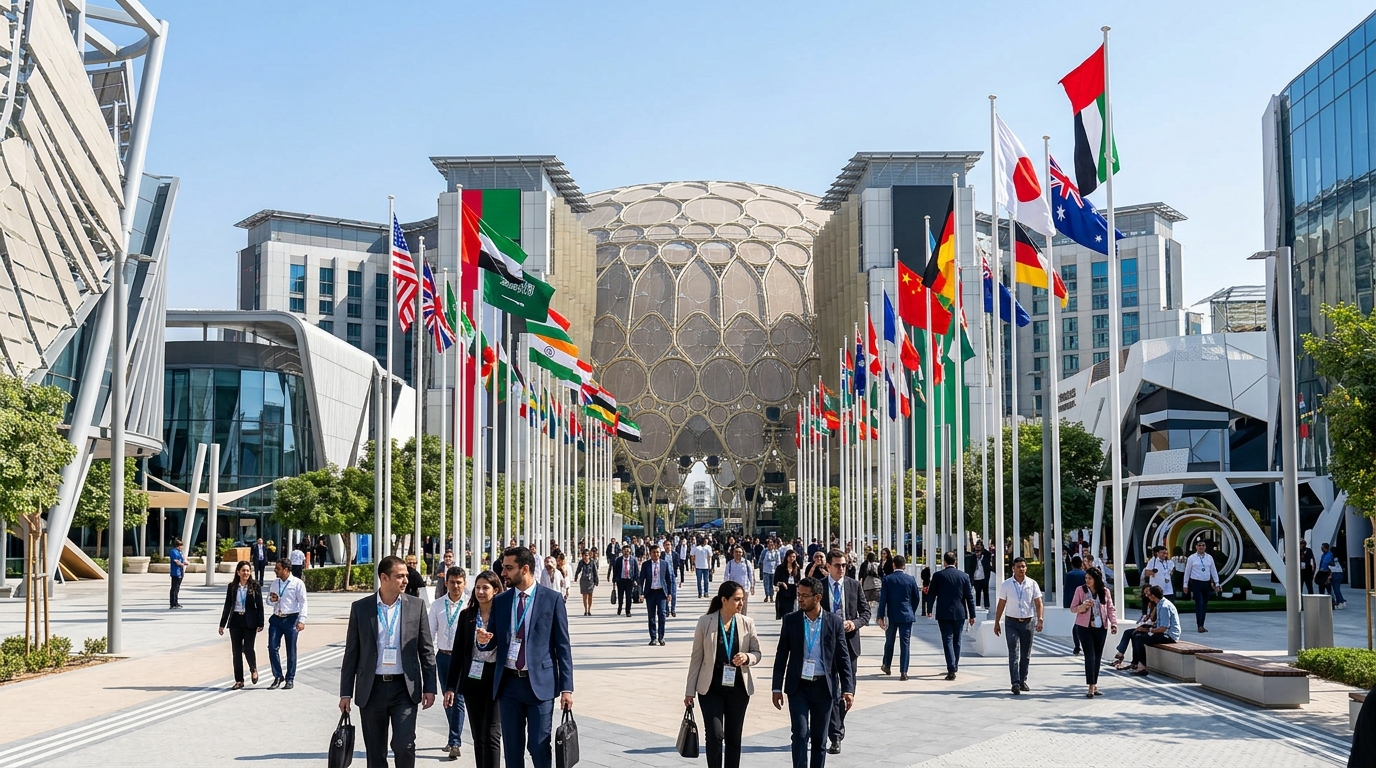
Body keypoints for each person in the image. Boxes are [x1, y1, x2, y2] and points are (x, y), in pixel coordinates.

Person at [339, 555, 438, 768]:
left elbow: (426, 650)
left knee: (405, 746)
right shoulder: (361, 608)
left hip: (404, 688)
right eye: (400, 576)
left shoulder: (416, 606)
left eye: (406, 576)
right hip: (371, 689)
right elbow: (352, 653)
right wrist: (345, 692)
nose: (406, 580)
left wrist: (430, 687)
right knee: (375, 753)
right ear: (384, 577)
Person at [483, 547, 574, 768]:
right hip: (509, 685)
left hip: (540, 686)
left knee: (539, 745)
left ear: (525, 569)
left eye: (508, 568)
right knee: (512, 749)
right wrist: (483, 639)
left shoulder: (552, 599)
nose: (503, 573)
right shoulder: (502, 601)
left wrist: (567, 688)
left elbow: (563, 646)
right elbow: (493, 639)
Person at [771, 578, 854, 768]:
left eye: (804, 596)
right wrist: (776, 687)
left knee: (819, 739)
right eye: (798, 595)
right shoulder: (791, 620)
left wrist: (848, 689)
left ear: (818, 597)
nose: (800, 599)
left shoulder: (834, 622)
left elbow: (843, 658)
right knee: (799, 734)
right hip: (798, 686)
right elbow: (781, 654)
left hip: (823, 687)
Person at [685, 581, 763, 768]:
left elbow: (757, 653)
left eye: (742, 599)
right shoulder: (706, 622)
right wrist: (689, 691)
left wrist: (747, 657)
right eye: (736, 599)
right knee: (714, 734)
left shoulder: (747, 623)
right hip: (711, 688)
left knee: (734, 737)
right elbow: (696, 658)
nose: (741, 603)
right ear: (724, 600)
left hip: (738, 689)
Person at [444, 570, 504, 768]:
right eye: (477, 587)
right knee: (478, 735)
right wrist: (451, 686)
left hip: (495, 680)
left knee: (493, 733)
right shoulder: (467, 616)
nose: (480, 592)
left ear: (496, 590)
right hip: (473, 680)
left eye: (485, 588)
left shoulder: (503, 614)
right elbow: (458, 653)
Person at [819, 549, 869, 754]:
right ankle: (835, 734)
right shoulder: (820, 587)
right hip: (826, 646)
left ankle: (838, 723)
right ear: (828, 567)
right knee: (831, 691)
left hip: (849, 645)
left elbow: (866, 613)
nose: (842, 569)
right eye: (838, 565)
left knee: (848, 691)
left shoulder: (853, 585)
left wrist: (854, 623)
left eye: (844, 565)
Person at [429, 566, 469, 759]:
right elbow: (429, 634)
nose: (455, 586)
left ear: (464, 584)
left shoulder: (470, 604)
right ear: (446, 583)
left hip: (462, 658)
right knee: (447, 698)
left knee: (458, 698)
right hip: (444, 656)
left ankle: (455, 741)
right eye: (452, 582)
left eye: (459, 583)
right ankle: (453, 737)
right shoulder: (437, 605)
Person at [993, 557, 1044, 695]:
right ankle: (1015, 682)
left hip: (1028, 622)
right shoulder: (1007, 585)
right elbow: (1001, 604)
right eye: (1018, 567)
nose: (1021, 569)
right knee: (1013, 652)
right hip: (1011, 622)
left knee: (1026, 654)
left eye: (1023, 566)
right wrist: (997, 622)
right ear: (1013, 569)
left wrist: (1040, 619)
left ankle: (1022, 680)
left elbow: (1038, 603)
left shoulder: (1032, 584)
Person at [1069, 567, 1117, 697]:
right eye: (1086, 578)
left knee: (1097, 656)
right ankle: (1090, 686)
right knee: (1089, 655)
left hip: (1101, 627)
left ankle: (1094, 685)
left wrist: (1114, 623)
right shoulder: (1080, 590)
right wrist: (1082, 607)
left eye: (1090, 578)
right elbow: (1072, 608)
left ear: (1096, 579)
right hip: (1084, 627)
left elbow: (1110, 608)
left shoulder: (1104, 591)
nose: (1087, 581)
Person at [929, 551, 976, 681]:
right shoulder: (964, 576)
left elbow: (932, 594)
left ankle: (951, 668)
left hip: (943, 613)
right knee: (957, 639)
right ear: (955, 561)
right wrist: (972, 614)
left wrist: (928, 609)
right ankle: (954, 666)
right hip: (960, 612)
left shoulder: (938, 576)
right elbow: (969, 597)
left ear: (944, 562)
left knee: (947, 639)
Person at [218, 560, 264, 689]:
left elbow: (259, 606)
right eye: (243, 570)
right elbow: (227, 605)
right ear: (238, 572)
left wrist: (261, 622)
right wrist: (222, 624)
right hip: (235, 621)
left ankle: (253, 669)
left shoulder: (255, 586)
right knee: (236, 652)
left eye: (248, 570)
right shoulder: (232, 586)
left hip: (250, 622)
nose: (246, 573)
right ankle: (239, 680)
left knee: (249, 648)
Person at [876, 554, 922, 680]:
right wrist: (911, 610)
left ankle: (887, 665)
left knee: (890, 641)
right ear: (905, 565)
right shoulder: (911, 579)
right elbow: (916, 598)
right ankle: (904, 672)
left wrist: (880, 615)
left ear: (893, 565)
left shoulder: (888, 579)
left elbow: (883, 599)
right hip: (907, 615)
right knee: (905, 643)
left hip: (892, 615)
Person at [267, 558, 308, 690]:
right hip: (276, 619)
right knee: (272, 647)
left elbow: (303, 602)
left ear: (286, 569)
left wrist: (302, 620)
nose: (275, 571)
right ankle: (278, 676)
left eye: (278, 568)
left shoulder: (297, 583)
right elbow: (268, 600)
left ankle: (290, 678)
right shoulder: (275, 583)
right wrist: (272, 600)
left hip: (291, 619)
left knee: (291, 650)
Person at [1128, 585, 1181, 675]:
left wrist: (1148, 631)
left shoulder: (1164, 606)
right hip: (1162, 633)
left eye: (1149, 595)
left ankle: (1142, 667)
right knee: (1135, 635)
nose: (1148, 596)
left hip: (1169, 636)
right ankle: (1136, 663)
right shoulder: (1159, 604)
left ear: (1153, 596)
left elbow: (1163, 628)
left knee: (1139, 638)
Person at [640, 544, 676, 645]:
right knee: (651, 616)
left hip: (661, 593)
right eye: (654, 552)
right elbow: (641, 580)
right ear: (650, 554)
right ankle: (653, 637)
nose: (656, 554)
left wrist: (669, 593)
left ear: (660, 553)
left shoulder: (664, 564)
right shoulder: (645, 565)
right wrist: (641, 593)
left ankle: (661, 637)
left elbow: (669, 579)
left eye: (657, 552)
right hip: (650, 592)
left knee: (662, 615)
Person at [1181, 540, 1220, 632]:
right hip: (1196, 583)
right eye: (1199, 545)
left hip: (1206, 583)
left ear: (1205, 547)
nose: (1201, 547)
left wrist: (1217, 583)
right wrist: (1185, 584)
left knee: (1204, 605)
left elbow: (1213, 571)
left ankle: (1202, 623)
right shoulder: (1192, 558)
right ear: (1196, 547)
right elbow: (1187, 572)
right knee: (1199, 604)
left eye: (1203, 545)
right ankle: (1199, 625)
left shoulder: (1209, 558)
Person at [1064, 556, 1086, 654]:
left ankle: (1077, 646)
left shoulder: (1069, 575)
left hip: (1073, 602)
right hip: (1085, 601)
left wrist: (1066, 603)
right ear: (1081, 564)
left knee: (1077, 625)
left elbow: (1067, 589)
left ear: (1072, 564)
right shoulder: (1085, 574)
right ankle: (1079, 646)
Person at [723, 547, 755, 616]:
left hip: (744, 588)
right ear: (733, 553)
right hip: (734, 589)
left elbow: (751, 575)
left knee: (743, 606)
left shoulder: (746, 563)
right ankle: (735, 619)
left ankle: (743, 620)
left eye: (740, 552)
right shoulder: (730, 564)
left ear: (742, 553)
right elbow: (726, 576)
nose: (738, 554)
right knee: (734, 605)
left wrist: (752, 586)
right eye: (736, 552)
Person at [1319, 542, 1348, 609]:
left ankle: (1340, 602)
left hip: (1333, 573)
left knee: (1335, 589)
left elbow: (1325, 564)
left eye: (1323, 548)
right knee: (1336, 588)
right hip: (1338, 573)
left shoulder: (1328, 555)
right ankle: (1339, 601)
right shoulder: (1333, 557)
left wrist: (1322, 570)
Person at [964, 542, 993, 609]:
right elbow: (968, 559)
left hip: (984, 577)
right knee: (978, 592)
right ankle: (978, 605)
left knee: (986, 591)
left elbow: (988, 553)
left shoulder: (986, 556)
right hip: (976, 577)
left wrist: (982, 550)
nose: (978, 552)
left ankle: (987, 605)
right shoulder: (972, 557)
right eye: (977, 549)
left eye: (979, 549)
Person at [775, 549, 802, 619]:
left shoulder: (797, 567)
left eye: (794, 557)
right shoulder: (780, 568)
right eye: (790, 556)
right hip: (783, 592)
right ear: (787, 557)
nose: (792, 558)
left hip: (793, 591)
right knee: (785, 614)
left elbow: (798, 580)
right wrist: (781, 583)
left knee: (793, 612)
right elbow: (775, 581)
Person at [614, 545, 639, 617]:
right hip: (621, 580)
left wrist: (636, 580)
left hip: (629, 580)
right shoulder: (618, 560)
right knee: (620, 596)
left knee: (629, 596)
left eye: (628, 551)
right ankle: (620, 607)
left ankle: (628, 611)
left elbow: (636, 571)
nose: (626, 552)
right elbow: (615, 570)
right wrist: (614, 580)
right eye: (625, 551)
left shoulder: (633, 560)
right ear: (622, 551)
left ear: (630, 551)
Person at [574, 549, 599, 616]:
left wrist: (596, 580)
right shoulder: (581, 562)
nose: (585, 557)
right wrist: (576, 576)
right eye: (584, 555)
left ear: (589, 556)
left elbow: (595, 571)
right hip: (583, 580)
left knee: (590, 595)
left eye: (586, 555)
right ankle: (585, 610)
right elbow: (578, 570)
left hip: (591, 581)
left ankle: (589, 609)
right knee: (584, 595)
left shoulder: (592, 562)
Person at [760, 539, 783, 604]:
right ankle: (767, 595)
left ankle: (771, 596)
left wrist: (779, 569)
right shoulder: (764, 551)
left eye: (772, 544)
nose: (770, 545)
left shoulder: (776, 552)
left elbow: (778, 561)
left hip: (774, 570)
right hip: (766, 570)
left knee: (772, 584)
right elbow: (761, 559)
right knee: (766, 584)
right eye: (769, 544)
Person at [168, 538, 187, 609]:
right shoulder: (174, 552)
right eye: (181, 546)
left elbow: (181, 560)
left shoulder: (180, 552)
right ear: (178, 546)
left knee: (177, 588)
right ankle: (172, 603)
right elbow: (176, 561)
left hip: (180, 572)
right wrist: (181, 564)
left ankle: (176, 602)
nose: (182, 547)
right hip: (175, 572)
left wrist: (184, 563)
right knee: (174, 588)